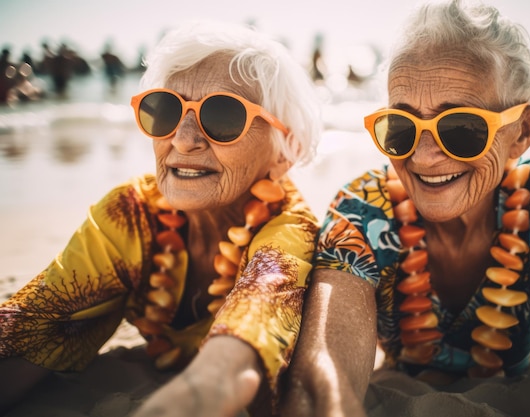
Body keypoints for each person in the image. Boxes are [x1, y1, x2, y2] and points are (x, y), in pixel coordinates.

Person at [281, 1, 530, 417]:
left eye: (462, 128)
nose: (424, 158)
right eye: (401, 127)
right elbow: (323, 380)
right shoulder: (362, 210)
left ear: (522, 132)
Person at [0, 20, 321, 417]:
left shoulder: (289, 229)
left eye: (223, 116)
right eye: (165, 109)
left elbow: (246, 340)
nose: (183, 139)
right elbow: (31, 327)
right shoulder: (131, 212)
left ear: (284, 150)